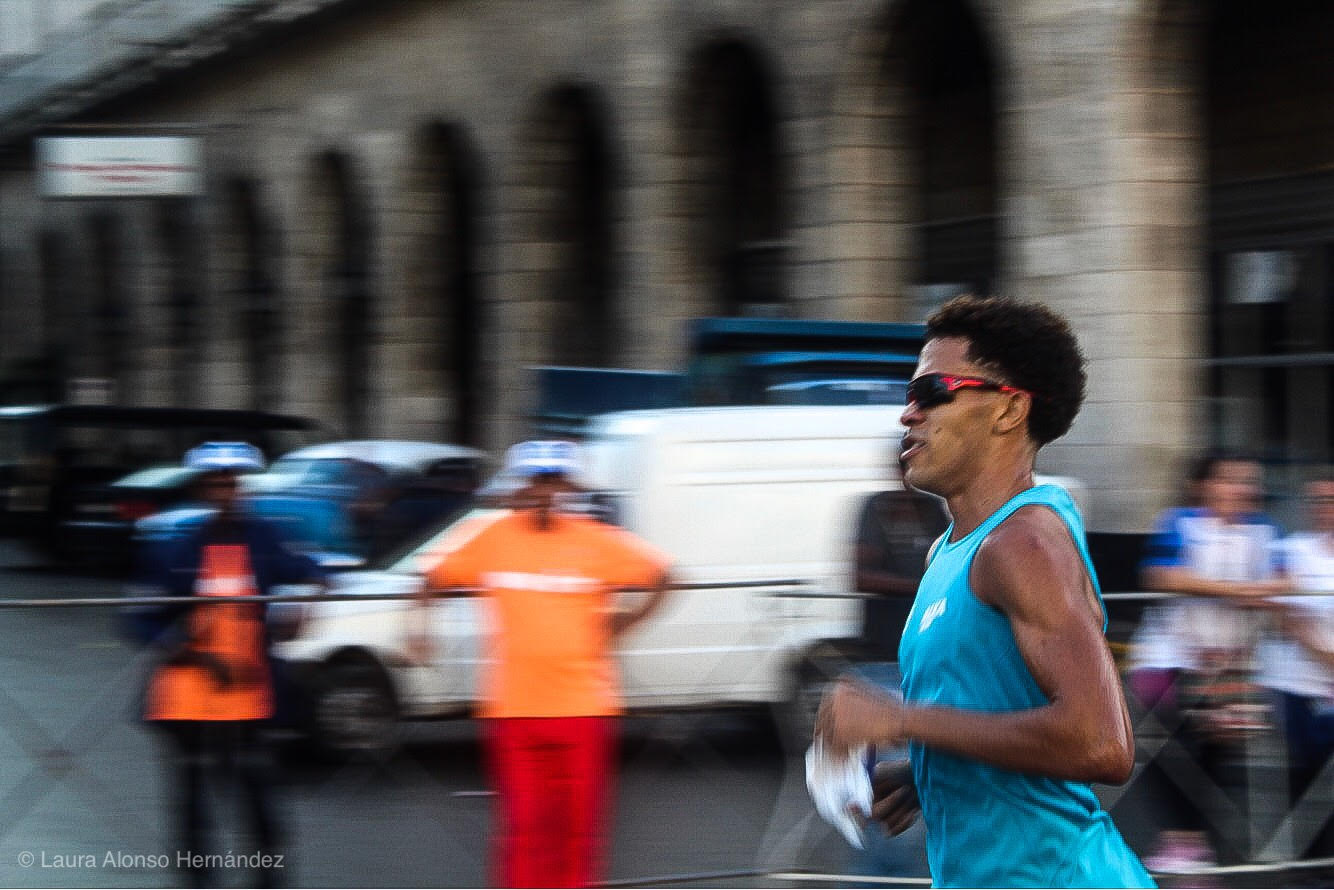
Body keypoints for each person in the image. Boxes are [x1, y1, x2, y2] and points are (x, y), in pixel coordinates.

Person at [815, 295, 1153, 887]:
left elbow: (1103, 744)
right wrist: (930, 772)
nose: (907, 415)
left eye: (932, 392)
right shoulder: (950, 549)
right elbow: (1000, 703)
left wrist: (900, 719)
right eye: (908, 396)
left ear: (1007, 411)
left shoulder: (1024, 544)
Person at [414, 440, 672, 888]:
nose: (547, 491)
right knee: (522, 831)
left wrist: (624, 622)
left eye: (555, 481)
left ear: (570, 487)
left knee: (578, 835)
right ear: (521, 486)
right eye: (537, 481)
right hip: (514, 712)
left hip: (584, 711)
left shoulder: (597, 540)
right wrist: (418, 629)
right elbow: (431, 578)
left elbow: (663, 577)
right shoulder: (492, 538)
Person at [132, 442, 327, 888]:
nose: (225, 489)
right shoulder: (175, 547)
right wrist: (196, 655)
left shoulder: (263, 538)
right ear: (203, 489)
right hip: (188, 708)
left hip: (249, 700)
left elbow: (311, 569)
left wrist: (309, 600)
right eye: (215, 482)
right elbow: (140, 620)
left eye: (232, 481)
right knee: (195, 818)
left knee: (263, 814)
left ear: (241, 487)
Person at [1127, 453, 1287, 867]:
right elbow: (1162, 576)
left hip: (1233, 662)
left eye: (1247, 481)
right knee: (1174, 751)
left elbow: (1282, 582)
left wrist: (1253, 596)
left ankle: (1197, 845)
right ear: (1205, 485)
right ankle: (1181, 841)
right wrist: (1236, 591)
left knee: (1219, 753)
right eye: (1229, 480)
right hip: (1172, 658)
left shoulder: (1264, 533)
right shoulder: (1181, 523)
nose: (1240, 490)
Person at [1256, 474, 1334, 857]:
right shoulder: (1293, 549)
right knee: (1306, 776)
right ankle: (1312, 864)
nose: (1325, 508)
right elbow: (1284, 616)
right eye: (1319, 499)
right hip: (1298, 683)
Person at [852, 484, 948, 659]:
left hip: (928, 635)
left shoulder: (933, 509)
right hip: (886, 638)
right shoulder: (878, 508)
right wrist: (920, 586)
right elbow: (862, 579)